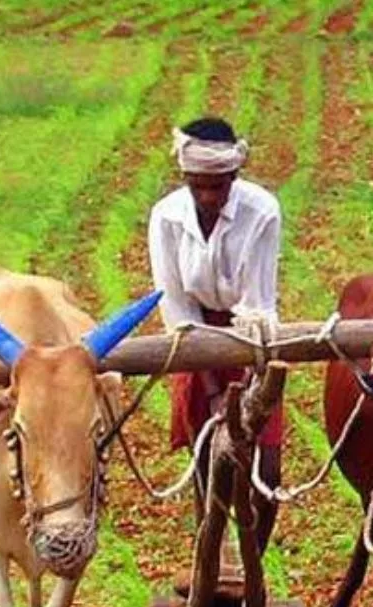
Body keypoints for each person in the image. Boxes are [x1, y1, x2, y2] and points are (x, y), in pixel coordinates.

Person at [147, 116, 283, 553]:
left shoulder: (262, 211)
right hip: (194, 339)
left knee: (268, 466)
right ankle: (211, 555)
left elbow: (257, 303)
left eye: (218, 186)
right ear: (185, 177)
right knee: (207, 457)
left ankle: (252, 564)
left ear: (234, 176)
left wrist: (249, 391)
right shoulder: (167, 217)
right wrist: (209, 389)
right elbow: (176, 307)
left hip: (251, 338)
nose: (208, 196)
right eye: (198, 185)